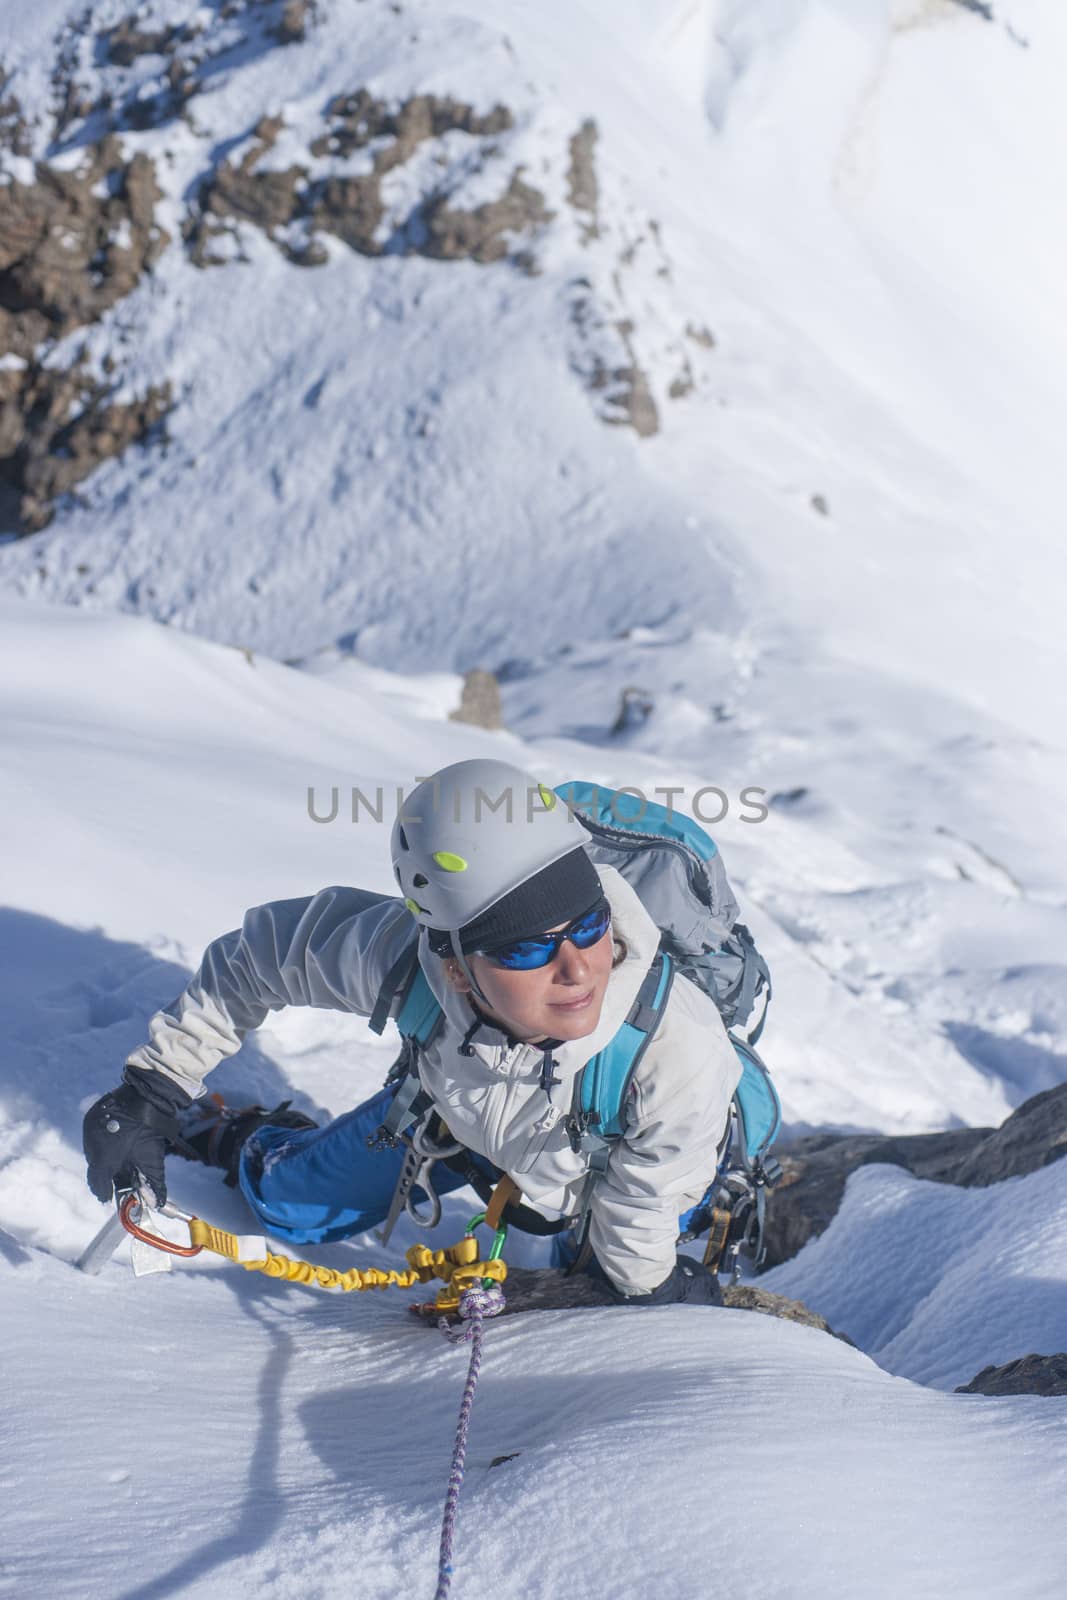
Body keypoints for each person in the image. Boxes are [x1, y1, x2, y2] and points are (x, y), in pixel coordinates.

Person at [82, 758, 742, 1304]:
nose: (577, 968)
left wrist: (638, 1282)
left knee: (594, 1266)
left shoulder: (676, 1047)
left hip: (614, 1149)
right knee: (291, 1208)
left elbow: (645, 1205)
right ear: (455, 970)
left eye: (590, 925)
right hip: (463, 1112)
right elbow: (260, 958)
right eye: (524, 950)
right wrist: (154, 1088)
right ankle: (243, 1138)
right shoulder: (408, 962)